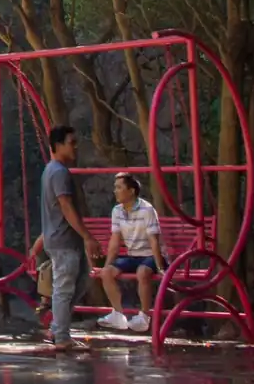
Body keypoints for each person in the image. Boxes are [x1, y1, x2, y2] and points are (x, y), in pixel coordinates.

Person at [27, 124, 104, 352]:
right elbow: (65, 207)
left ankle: (57, 328)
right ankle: (61, 337)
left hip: (63, 240)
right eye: (71, 143)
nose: (75, 147)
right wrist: (88, 237)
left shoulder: (52, 170)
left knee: (79, 282)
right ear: (57, 145)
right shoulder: (58, 172)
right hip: (64, 242)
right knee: (64, 288)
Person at [98, 172, 164, 333]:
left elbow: (154, 240)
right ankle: (117, 314)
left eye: (119, 187)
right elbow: (115, 241)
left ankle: (144, 317)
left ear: (131, 191)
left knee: (143, 272)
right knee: (106, 273)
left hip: (150, 255)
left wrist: (160, 267)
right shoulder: (117, 211)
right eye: (115, 187)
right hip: (133, 255)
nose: (115, 191)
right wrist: (106, 266)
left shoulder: (147, 209)